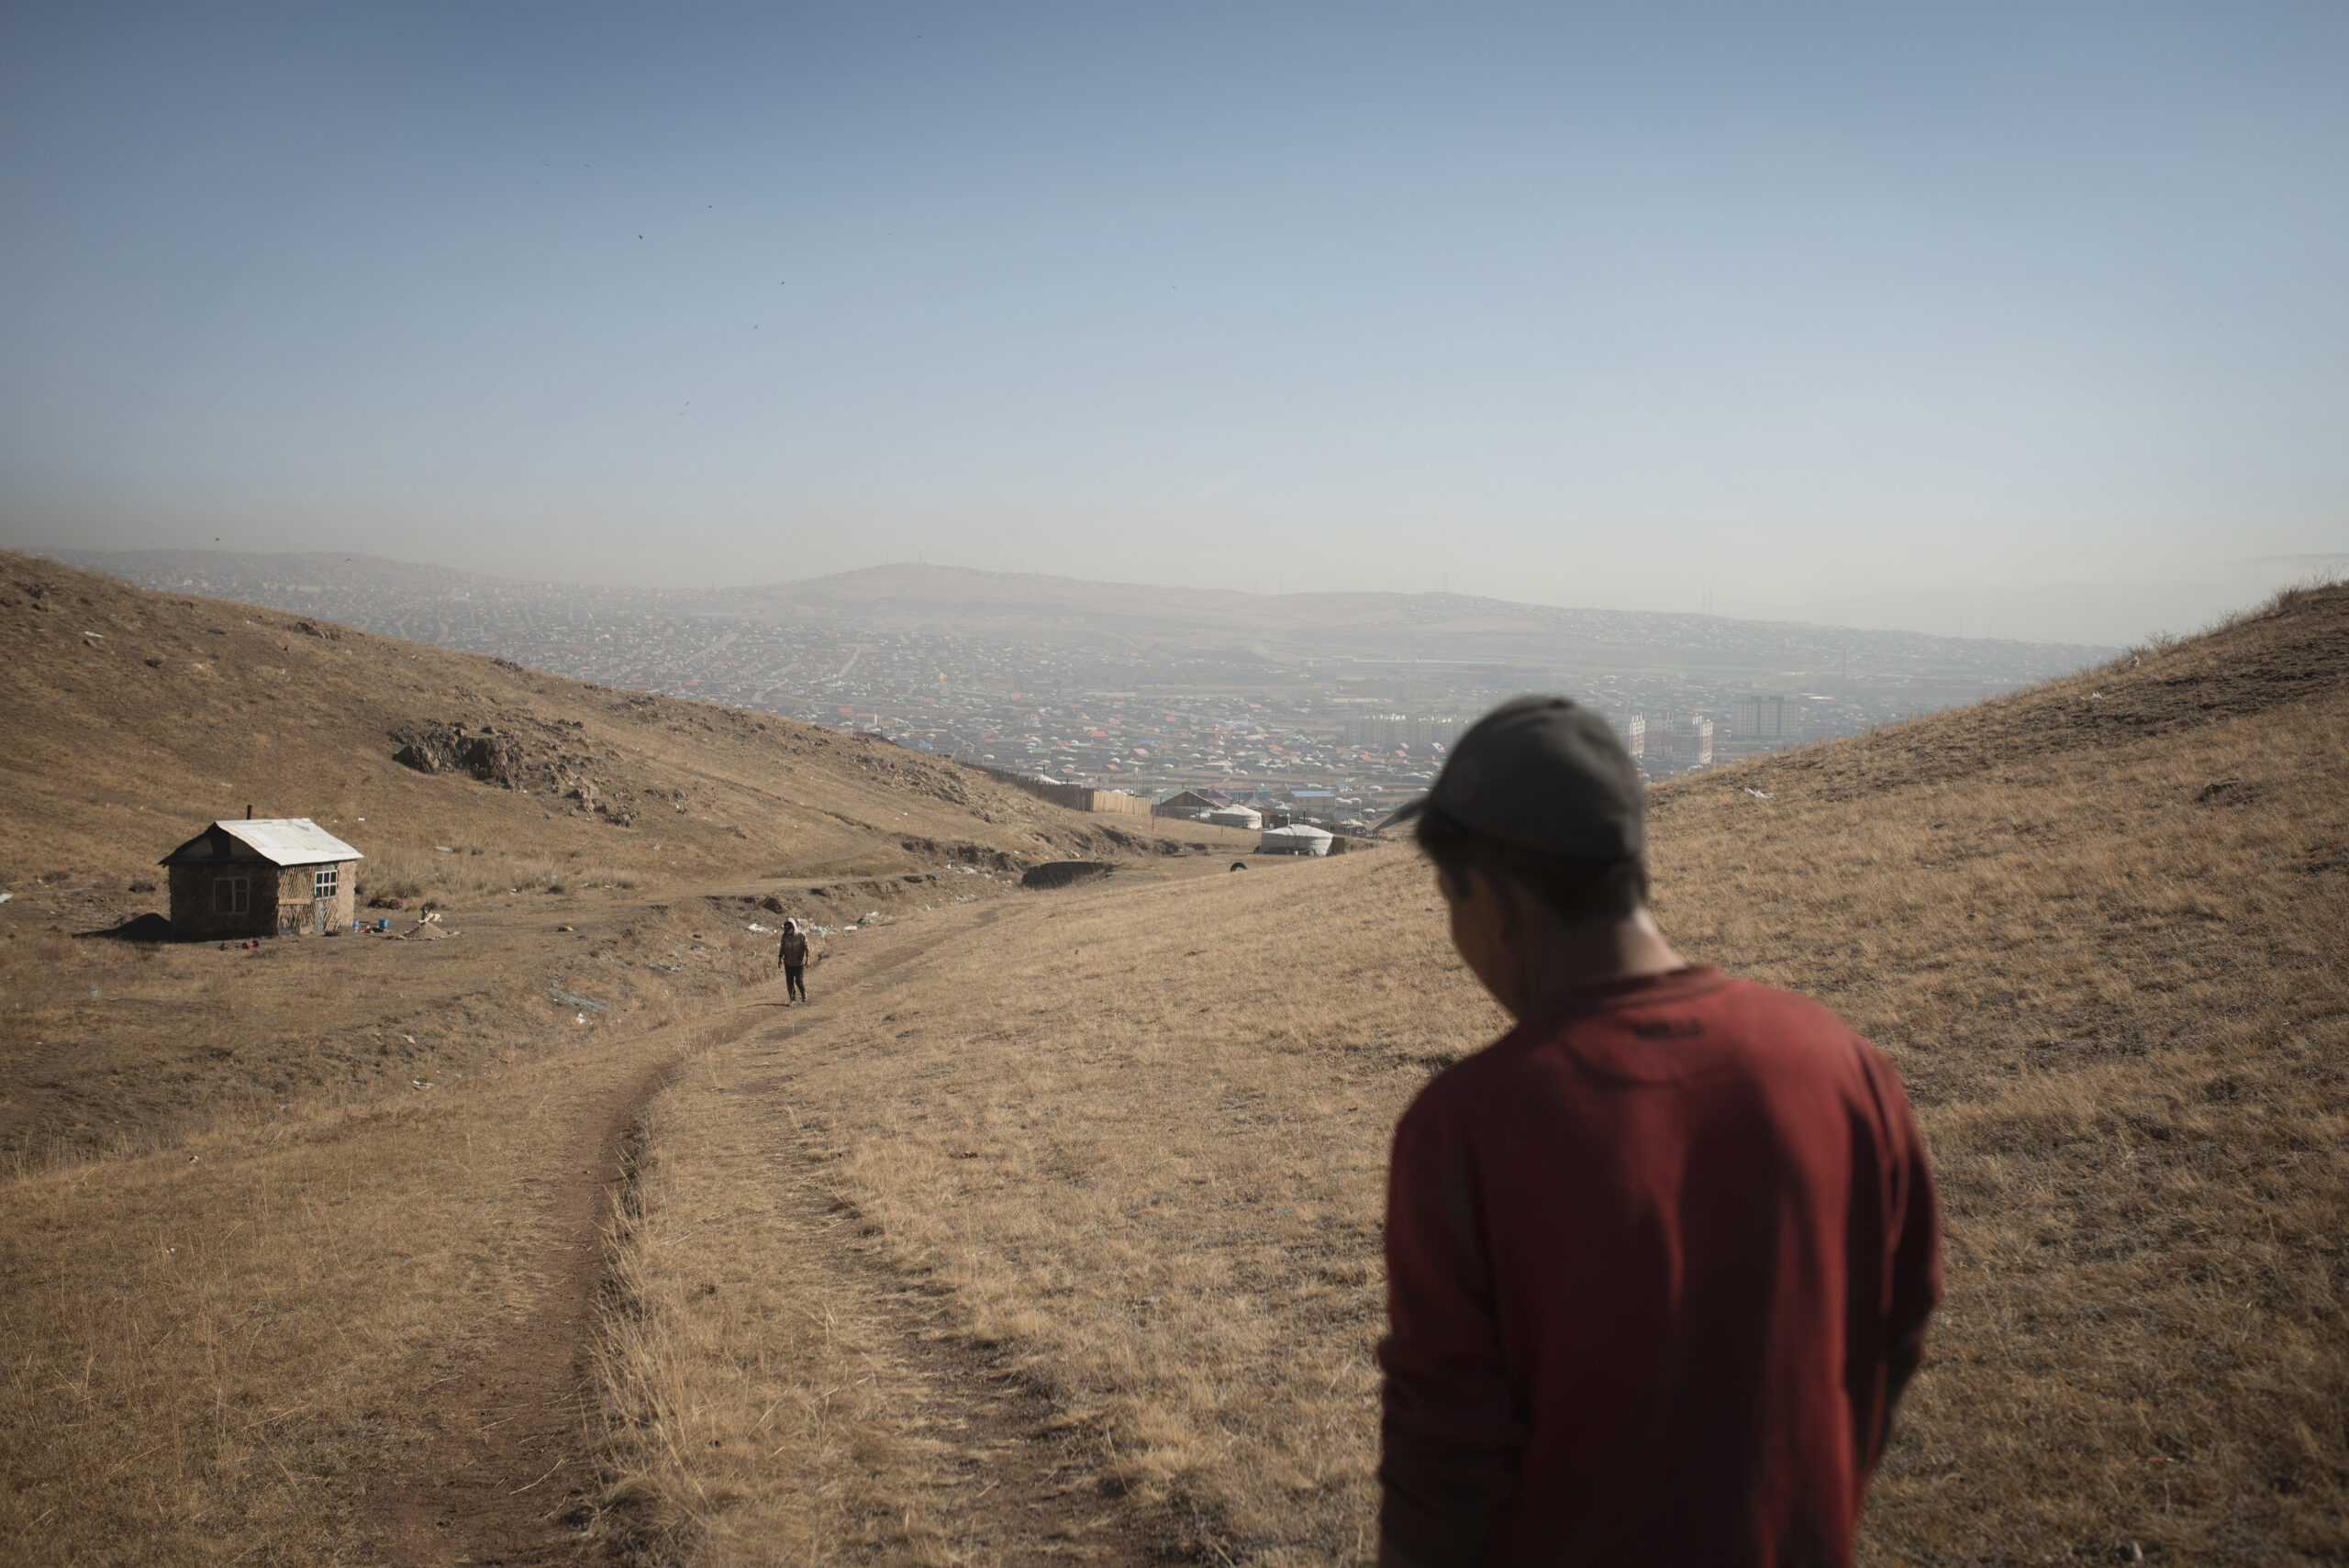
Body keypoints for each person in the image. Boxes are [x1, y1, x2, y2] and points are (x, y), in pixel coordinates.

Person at [1378, 696, 1942, 1568]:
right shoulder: (1843, 1065)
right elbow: (1896, 1325)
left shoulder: (1467, 1126)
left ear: (1493, 899)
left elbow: (1444, 1465)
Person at [777, 917, 810, 1004]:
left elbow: (807, 948)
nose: (789, 931)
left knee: (799, 980)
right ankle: (793, 999)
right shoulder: (785, 937)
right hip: (788, 962)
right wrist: (780, 958)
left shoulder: (801, 935)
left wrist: (808, 959)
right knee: (789, 981)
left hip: (799, 963)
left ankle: (804, 994)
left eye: (790, 929)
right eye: (787, 929)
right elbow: (782, 948)